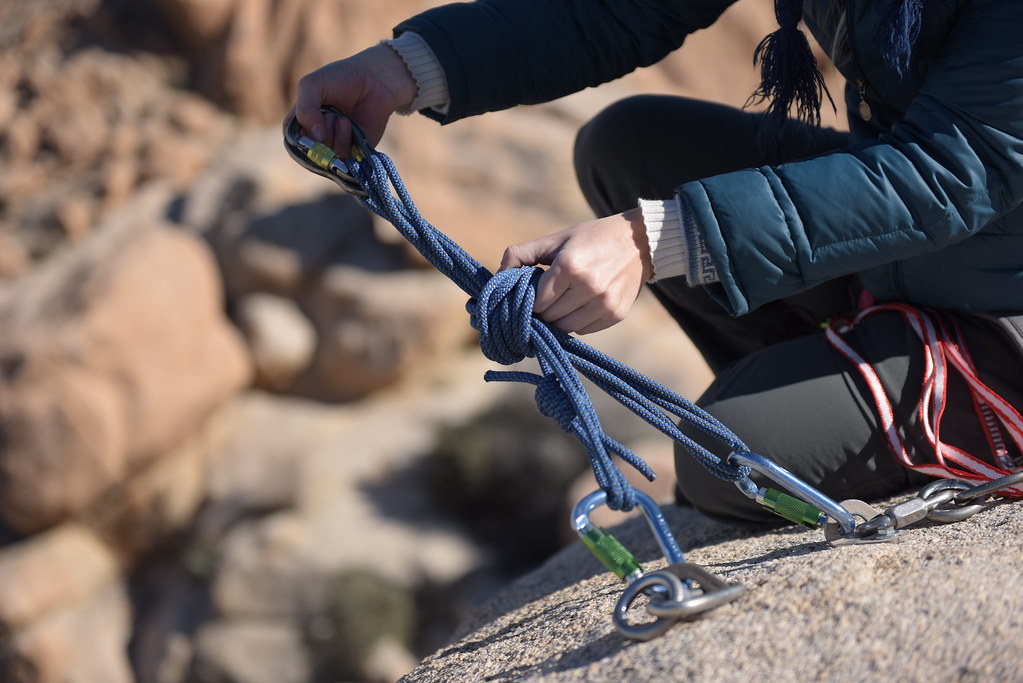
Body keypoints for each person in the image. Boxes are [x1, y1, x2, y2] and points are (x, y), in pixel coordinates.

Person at [291, 0, 1023, 527]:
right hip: (918, 251)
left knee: (720, 460)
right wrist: (407, 69)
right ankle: (836, 383)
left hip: (1001, 314)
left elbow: (954, 167)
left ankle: (885, 411)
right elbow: (613, 12)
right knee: (629, 146)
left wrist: (653, 240)